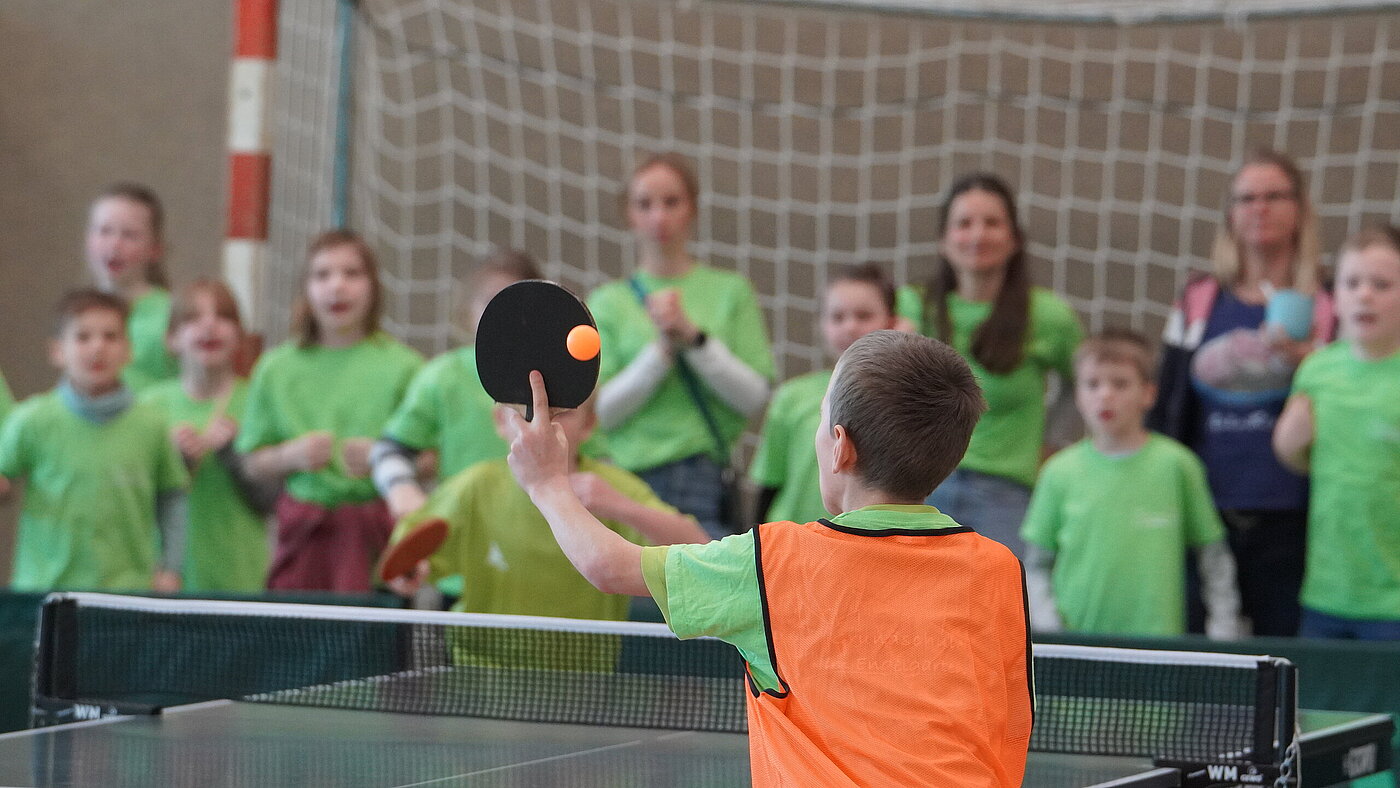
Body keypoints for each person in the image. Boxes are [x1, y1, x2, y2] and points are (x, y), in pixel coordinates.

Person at [505, 330, 1032, 786]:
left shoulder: (772, 562)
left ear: (840, 446)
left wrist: (547, 483)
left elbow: (608, 565)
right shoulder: (998, 569)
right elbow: (1006, 719)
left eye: (821, 418)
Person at [1149, 148, 1334, 637]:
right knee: (1202, 660)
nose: (1260, 208)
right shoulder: (1199, 298)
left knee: (1287, 657)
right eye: (1247, 198)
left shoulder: (1331, 300)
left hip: (1296, 516)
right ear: (1230, 213)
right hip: (1207, 511)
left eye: (1274, 196)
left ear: (1300, 209)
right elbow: (1167, 406)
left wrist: (1312, 360)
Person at [385, 396, 708, 619]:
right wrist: (410, 573)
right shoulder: (475, 487)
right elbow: (403, 558)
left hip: (586, 678)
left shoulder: (613, 488)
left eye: (562, 413)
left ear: (589, 424)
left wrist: (621, 506)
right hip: (481, 670)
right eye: (527, 412)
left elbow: (701, 552)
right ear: (500, 422)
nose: (542, 425)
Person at [898, 172, 1083, 558]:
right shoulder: (912, 306)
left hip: (1008, 498)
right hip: (919, 492)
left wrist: (1052, 442)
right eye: (964, 223)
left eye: (992, 223)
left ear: (1014, 238)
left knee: (1001, 598)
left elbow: (1084, 382)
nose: (978, 235)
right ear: (943, 240)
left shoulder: (1049, 316)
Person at [587, 153, 773, 538]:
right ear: (629, 214)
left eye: (672, 202)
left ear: (692, 209)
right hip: (626, 479)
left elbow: (753, 397)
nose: (659, 217)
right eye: (644, 204)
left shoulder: (731, 290)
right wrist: (660, 353)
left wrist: (694, 339)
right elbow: (600, 411)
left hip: (704, 478)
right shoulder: (607, 303)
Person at [1021, 329, 1242, 638]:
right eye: (1092, 384)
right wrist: (1051, 630)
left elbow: (1214, 557)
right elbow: (1035, 564)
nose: (1105, 395)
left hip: (1159, 647)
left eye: (1120, 383)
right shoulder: (1057, 472)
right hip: (1076, 645)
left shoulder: (1178, 465)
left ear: (1148, 393)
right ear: (1079, 396)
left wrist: (1224, 630)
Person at [237, 230, 423, 592]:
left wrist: (384, 458)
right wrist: (289, 455)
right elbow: (251, 462)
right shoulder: (276, 368)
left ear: (373, 287)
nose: (337, 286)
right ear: (305, 290)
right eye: (322, 275)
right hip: (304, 535)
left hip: (376, 538)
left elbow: (431, 457)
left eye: (352, 273)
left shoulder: (405, 367)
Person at [0, 290, 188, 591]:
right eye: (83, 337)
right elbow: (4, 480)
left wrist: (171, 569)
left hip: (128, 593)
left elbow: (172, 498)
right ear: (57, 351)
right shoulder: (30, 420)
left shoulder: (151, 425)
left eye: (110, 337)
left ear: (129, 350)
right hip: (44, 592)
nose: (98, 347)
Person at [1274, 226, 1400, 640]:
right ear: (1336, 298)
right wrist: (1288, 443)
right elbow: (1301, 459)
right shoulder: (1317, 370)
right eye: (1352, 283)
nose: (1364, 295)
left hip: (1393, 604)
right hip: (1326, 594)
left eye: (1381, 284)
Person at [372, 248, 542, 522]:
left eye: (517, 302)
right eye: (491, 300)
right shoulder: (443, 375)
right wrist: (402, 489)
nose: (505, 313)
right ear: (467, 311)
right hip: (463, 530)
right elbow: (389, 450)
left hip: (542, 530)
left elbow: (594, 456)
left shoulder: (556, 378)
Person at [141, 280, 271, 592]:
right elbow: (132, 500)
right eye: (193, 318)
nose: (209, 325)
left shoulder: (258, 402)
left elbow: (272, 502)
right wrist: (174, 464)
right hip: (165, 578)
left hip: (242, 577)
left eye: (223, 316)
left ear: (239, 337)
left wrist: (235, 459)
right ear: (172, 339)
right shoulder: (149, 407)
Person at [750, 262, 898, 526]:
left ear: (892, 321)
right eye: (837, 317)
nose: (850, 326)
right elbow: (770, 481)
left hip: (866, 538)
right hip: (793, 537)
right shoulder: (792, 396)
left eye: (864, 316)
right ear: (821, 324)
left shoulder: (901, 399)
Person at [86, 183, 180, 392]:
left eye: (129, 235)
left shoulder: (173, 314)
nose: (114, 244)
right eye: (104, 231)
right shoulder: (78, 314)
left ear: (155, 249)